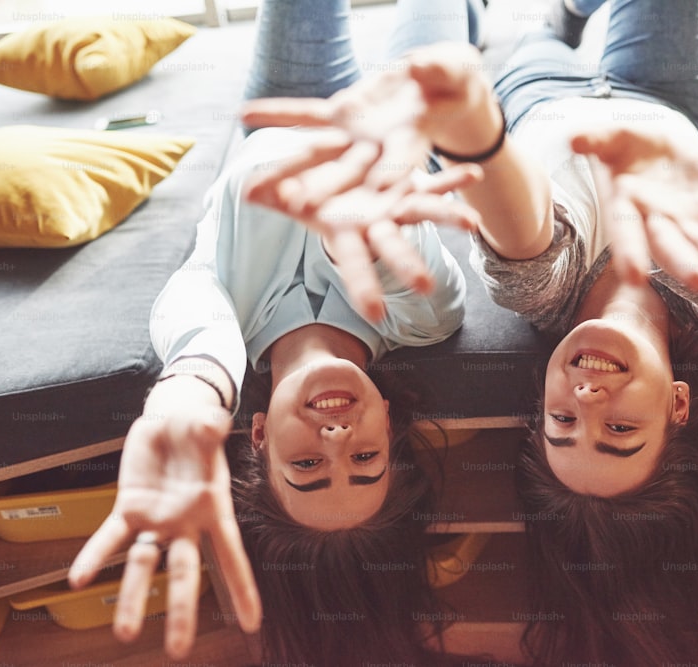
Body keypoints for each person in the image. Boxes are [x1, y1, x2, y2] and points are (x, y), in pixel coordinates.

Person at [242, 0, 698, 663]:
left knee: (516, 37)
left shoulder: (541, 289)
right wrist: (681, 179)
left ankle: (541, 21)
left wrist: (477, 132)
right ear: (677, 407)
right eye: (618, 431)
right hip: (660, 94)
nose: (586, 401)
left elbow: (523, 230)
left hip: (534, 95)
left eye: (561, 421)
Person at [67, 1, 485, 662]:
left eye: (309, 465)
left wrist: (191, 392)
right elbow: (386, 234)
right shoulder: (425, 319)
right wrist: (356, 205)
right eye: (365, 460)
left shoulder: (222, 312)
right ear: (387, 424)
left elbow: (193, 308)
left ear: (257, 437)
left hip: (280, 105)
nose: (338, 439)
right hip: (401, 113)